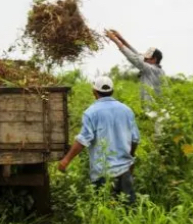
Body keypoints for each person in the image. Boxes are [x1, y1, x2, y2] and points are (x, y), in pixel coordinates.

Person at [58, 76, 140, 204]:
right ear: (112, 91)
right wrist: (130, 158)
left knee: (104, 211)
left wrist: (66, 160)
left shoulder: (91, 112)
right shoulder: (127, 110)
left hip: (102, 173)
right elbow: (135, 139)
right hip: (125, 170)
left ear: (94, 92)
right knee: (128, 210)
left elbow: (83, 140)